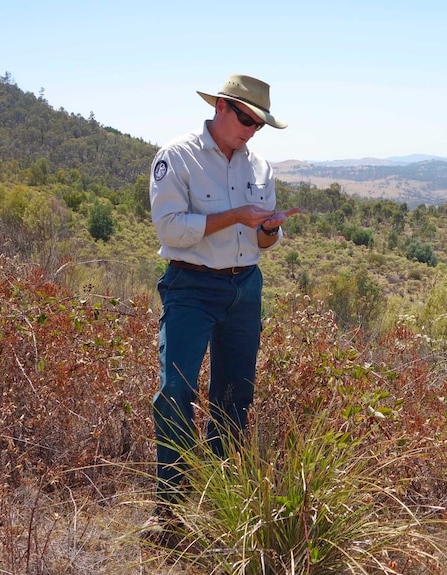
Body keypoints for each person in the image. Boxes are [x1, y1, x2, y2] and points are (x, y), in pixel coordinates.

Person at [147, 74, 300, 510]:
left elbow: (264, 244)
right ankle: (170, 509)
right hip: (191, 285)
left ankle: (221, 504)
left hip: (245, 287)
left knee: (235, 395)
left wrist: (269, 229)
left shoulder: (260, 168)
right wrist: (235, 214)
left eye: (259, 125)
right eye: (247, 119)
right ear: (221, 108)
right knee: (176, 391)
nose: (252, 131)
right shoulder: (177, 157)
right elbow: (170, 229)